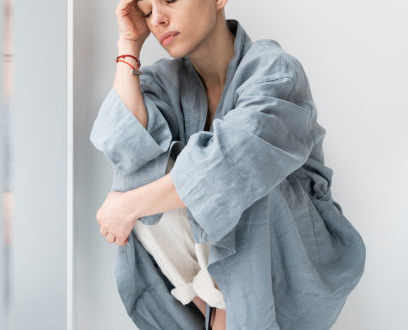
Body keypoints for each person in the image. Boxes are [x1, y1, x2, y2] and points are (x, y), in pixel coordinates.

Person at [89, 0, 366, 329]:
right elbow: (124, 147)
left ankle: (222, 317)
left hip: (294, 259)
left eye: (169, 1)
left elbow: (236, 162)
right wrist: (129, 45)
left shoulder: (275, 70)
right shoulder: (165, 81)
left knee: (245, 178)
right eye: (148, 12)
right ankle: (217, 307)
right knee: (140, 163)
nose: (158, 19)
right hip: (204, 280)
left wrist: (129, 205)